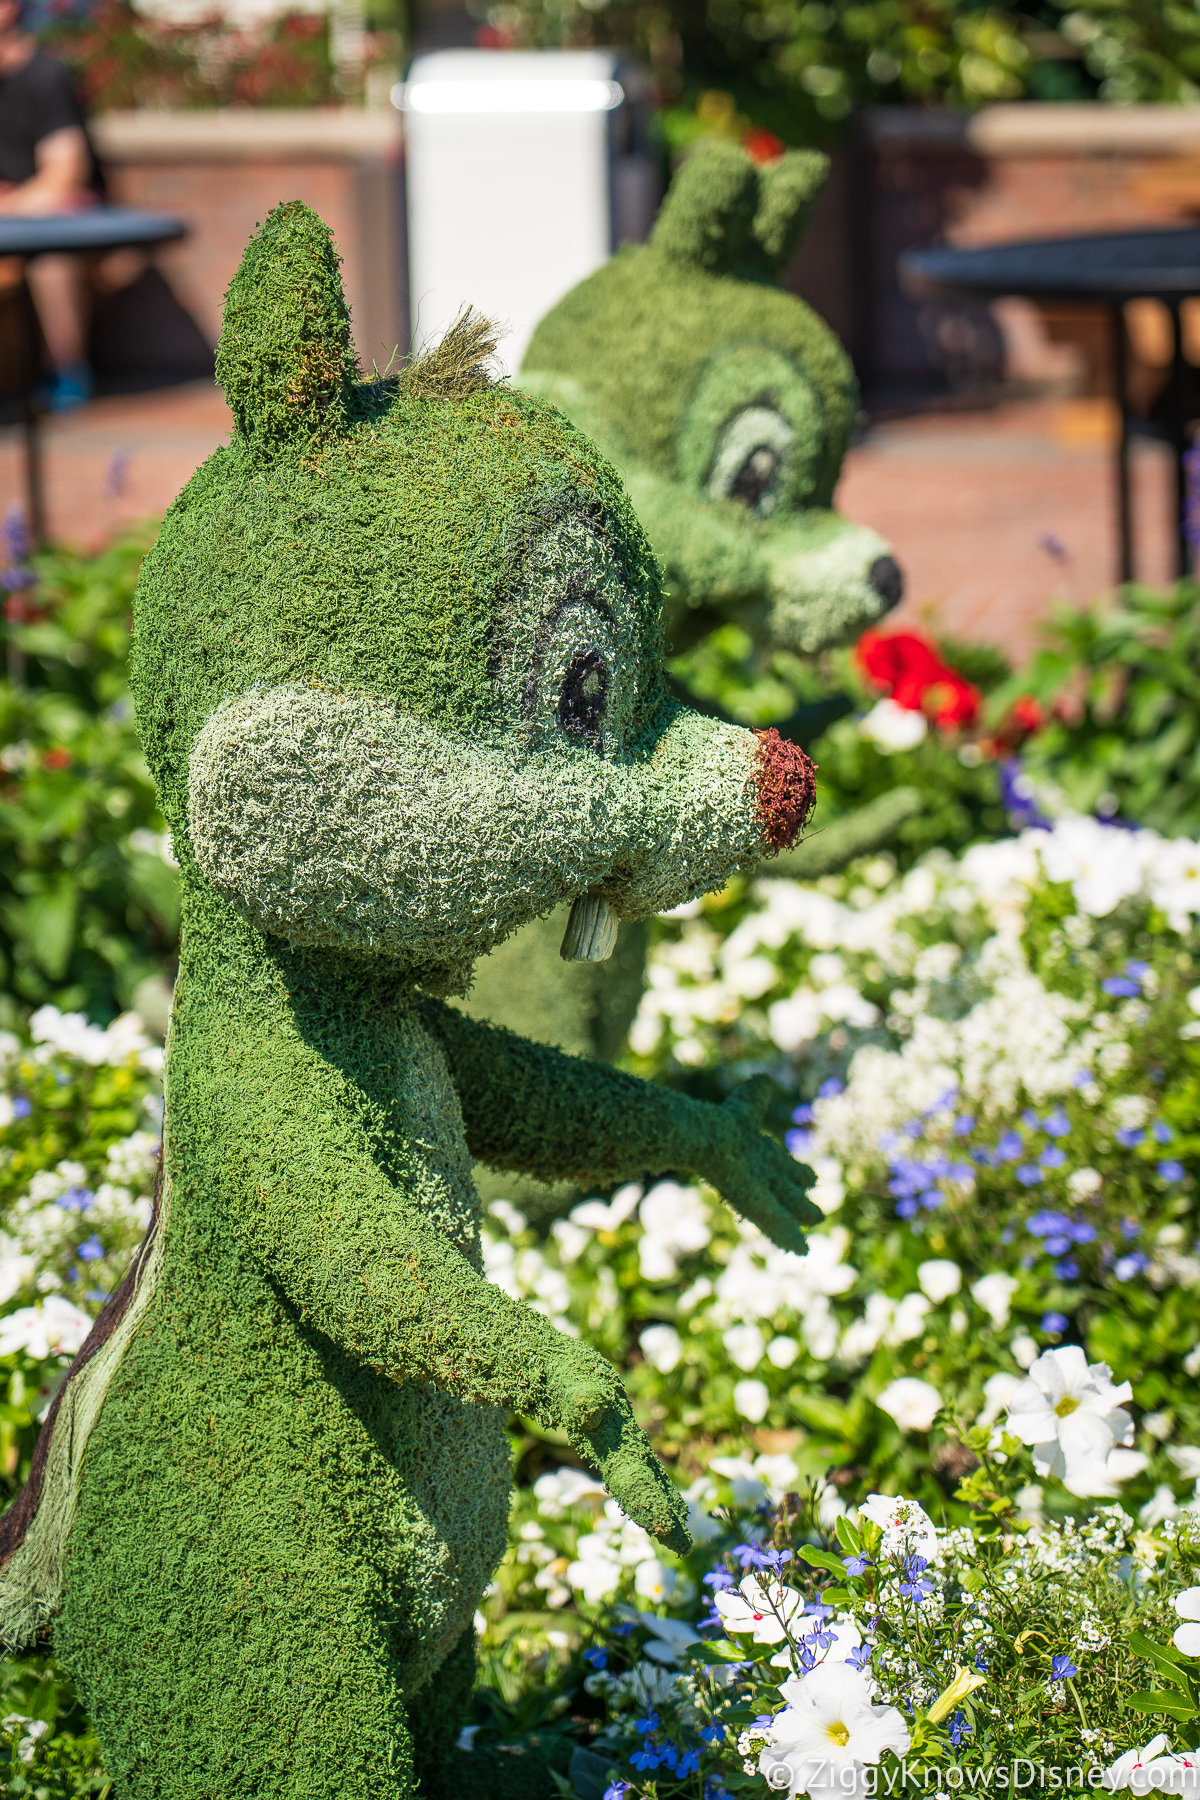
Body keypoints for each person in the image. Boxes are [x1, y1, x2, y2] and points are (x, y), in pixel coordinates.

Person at [0, 0, 102, 410]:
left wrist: (9, 205)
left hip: (63, 215)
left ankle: (66, 368)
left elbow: (65, 174)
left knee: (48, 251)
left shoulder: (45, 76)